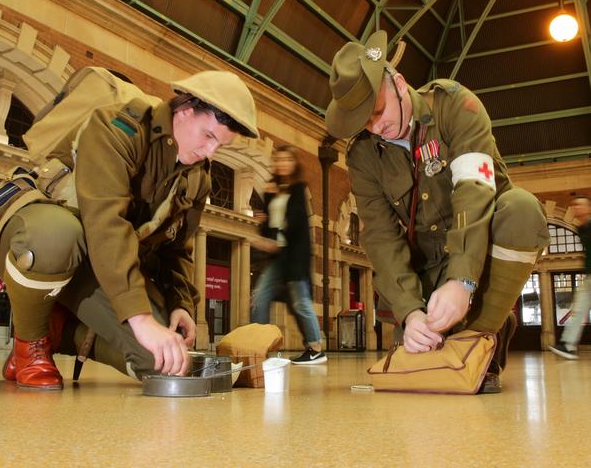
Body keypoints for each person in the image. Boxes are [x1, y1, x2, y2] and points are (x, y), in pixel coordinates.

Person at [0, 69, 259, 390]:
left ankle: (59, 330)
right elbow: (106, 224)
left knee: (163, 362)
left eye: (219, 146)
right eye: (208, 136)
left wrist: (180, 303)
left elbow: (177, 248)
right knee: (56, 238)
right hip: (45, 238)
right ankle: (29, 345)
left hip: (103, 267)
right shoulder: (118, 129)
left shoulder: (198, 176)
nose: (210, 152)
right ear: (184, 111)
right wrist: (140, 319)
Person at [324, 30, 550, 392]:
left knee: (522, 209)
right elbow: (382, 237)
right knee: (420, 346)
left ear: (398, 82)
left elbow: (474, 193)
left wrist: (462, 281)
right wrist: (410, 311)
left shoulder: (456, 107)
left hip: (480, 250)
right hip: (427, 269)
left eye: (378, 111)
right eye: (363, 123)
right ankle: (463, 335)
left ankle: (481, 334)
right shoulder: (363, 156)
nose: (375, 127)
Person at [250, 145, 326, 364]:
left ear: (294, 164)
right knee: (260, 296)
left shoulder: (298, 189)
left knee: (301, 301)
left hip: (294, 256)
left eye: (287, 160)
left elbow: (298, 223)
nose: (282, 163)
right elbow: (267, 229)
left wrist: (277, 237)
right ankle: (259, 347)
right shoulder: (270, 190)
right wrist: (264, 222)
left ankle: (315, 348)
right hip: (278, 257)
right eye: (279, 159)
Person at [549, 196, 591, 359]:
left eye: (579, 205)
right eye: (574, 206)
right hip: (589, 276)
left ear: (588, 207)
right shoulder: (582, 228)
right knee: (579, 309)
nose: (576, 208)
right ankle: (568, 345)